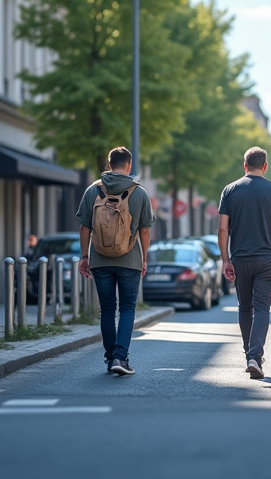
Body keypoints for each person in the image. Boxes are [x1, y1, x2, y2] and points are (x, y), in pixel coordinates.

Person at [76, 147, 153, 376]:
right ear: (128, 165)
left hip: (100, 259)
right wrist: (145, 257)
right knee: (127, 308)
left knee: (107, 310)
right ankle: (121, 356)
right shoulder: (139, 193)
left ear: (109, 165)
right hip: (130, 259)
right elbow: (145, 230)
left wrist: (84, 256)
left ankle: (111, 358)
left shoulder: (93, 190)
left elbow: (84, 227)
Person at [218, 147, 271, 380]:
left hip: (240, 259)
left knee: (244, 307)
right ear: (266, 166)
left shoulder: (230, 190)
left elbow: (222, 228)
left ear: (245, 165)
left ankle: (249, 354)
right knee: (262, 308)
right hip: (267, 258)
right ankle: (255, 356)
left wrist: (225, 260)